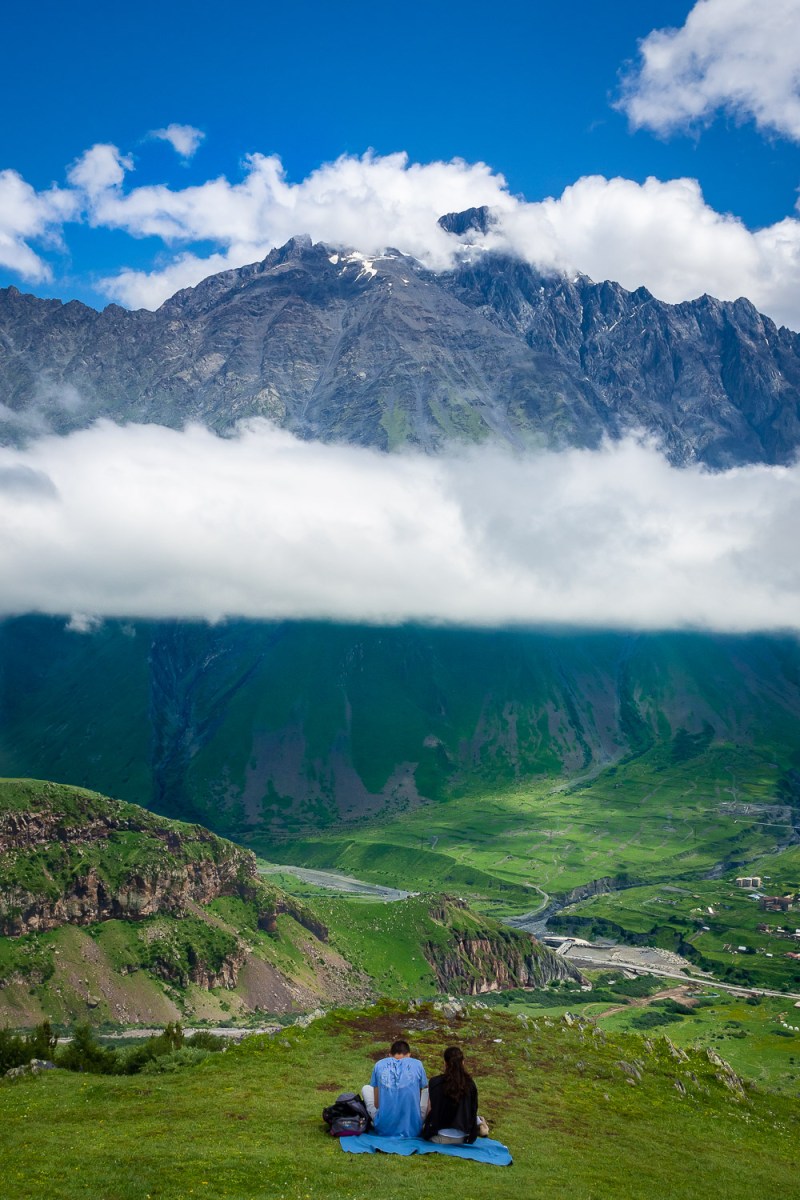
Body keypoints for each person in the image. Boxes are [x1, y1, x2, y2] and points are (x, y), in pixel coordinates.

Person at [361, 1039, 428, 1138]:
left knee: (366, 1088)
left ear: (390, 1055)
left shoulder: (379, 1064)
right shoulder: (417, 1064)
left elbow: (377, 1104)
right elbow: (417, 1101)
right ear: (409, 1054)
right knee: (428, 1091)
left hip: (383, 1127)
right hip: (412, 1128)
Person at [422, 1046, 487, 1145]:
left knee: (426, 1092)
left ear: (445, 1063)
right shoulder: (470, 1085)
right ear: (463, 1062)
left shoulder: (435, 1082)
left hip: (438, 1137)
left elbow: (430, 1109)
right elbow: (473, 1110)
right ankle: (481, 1125)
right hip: (462, 1138)